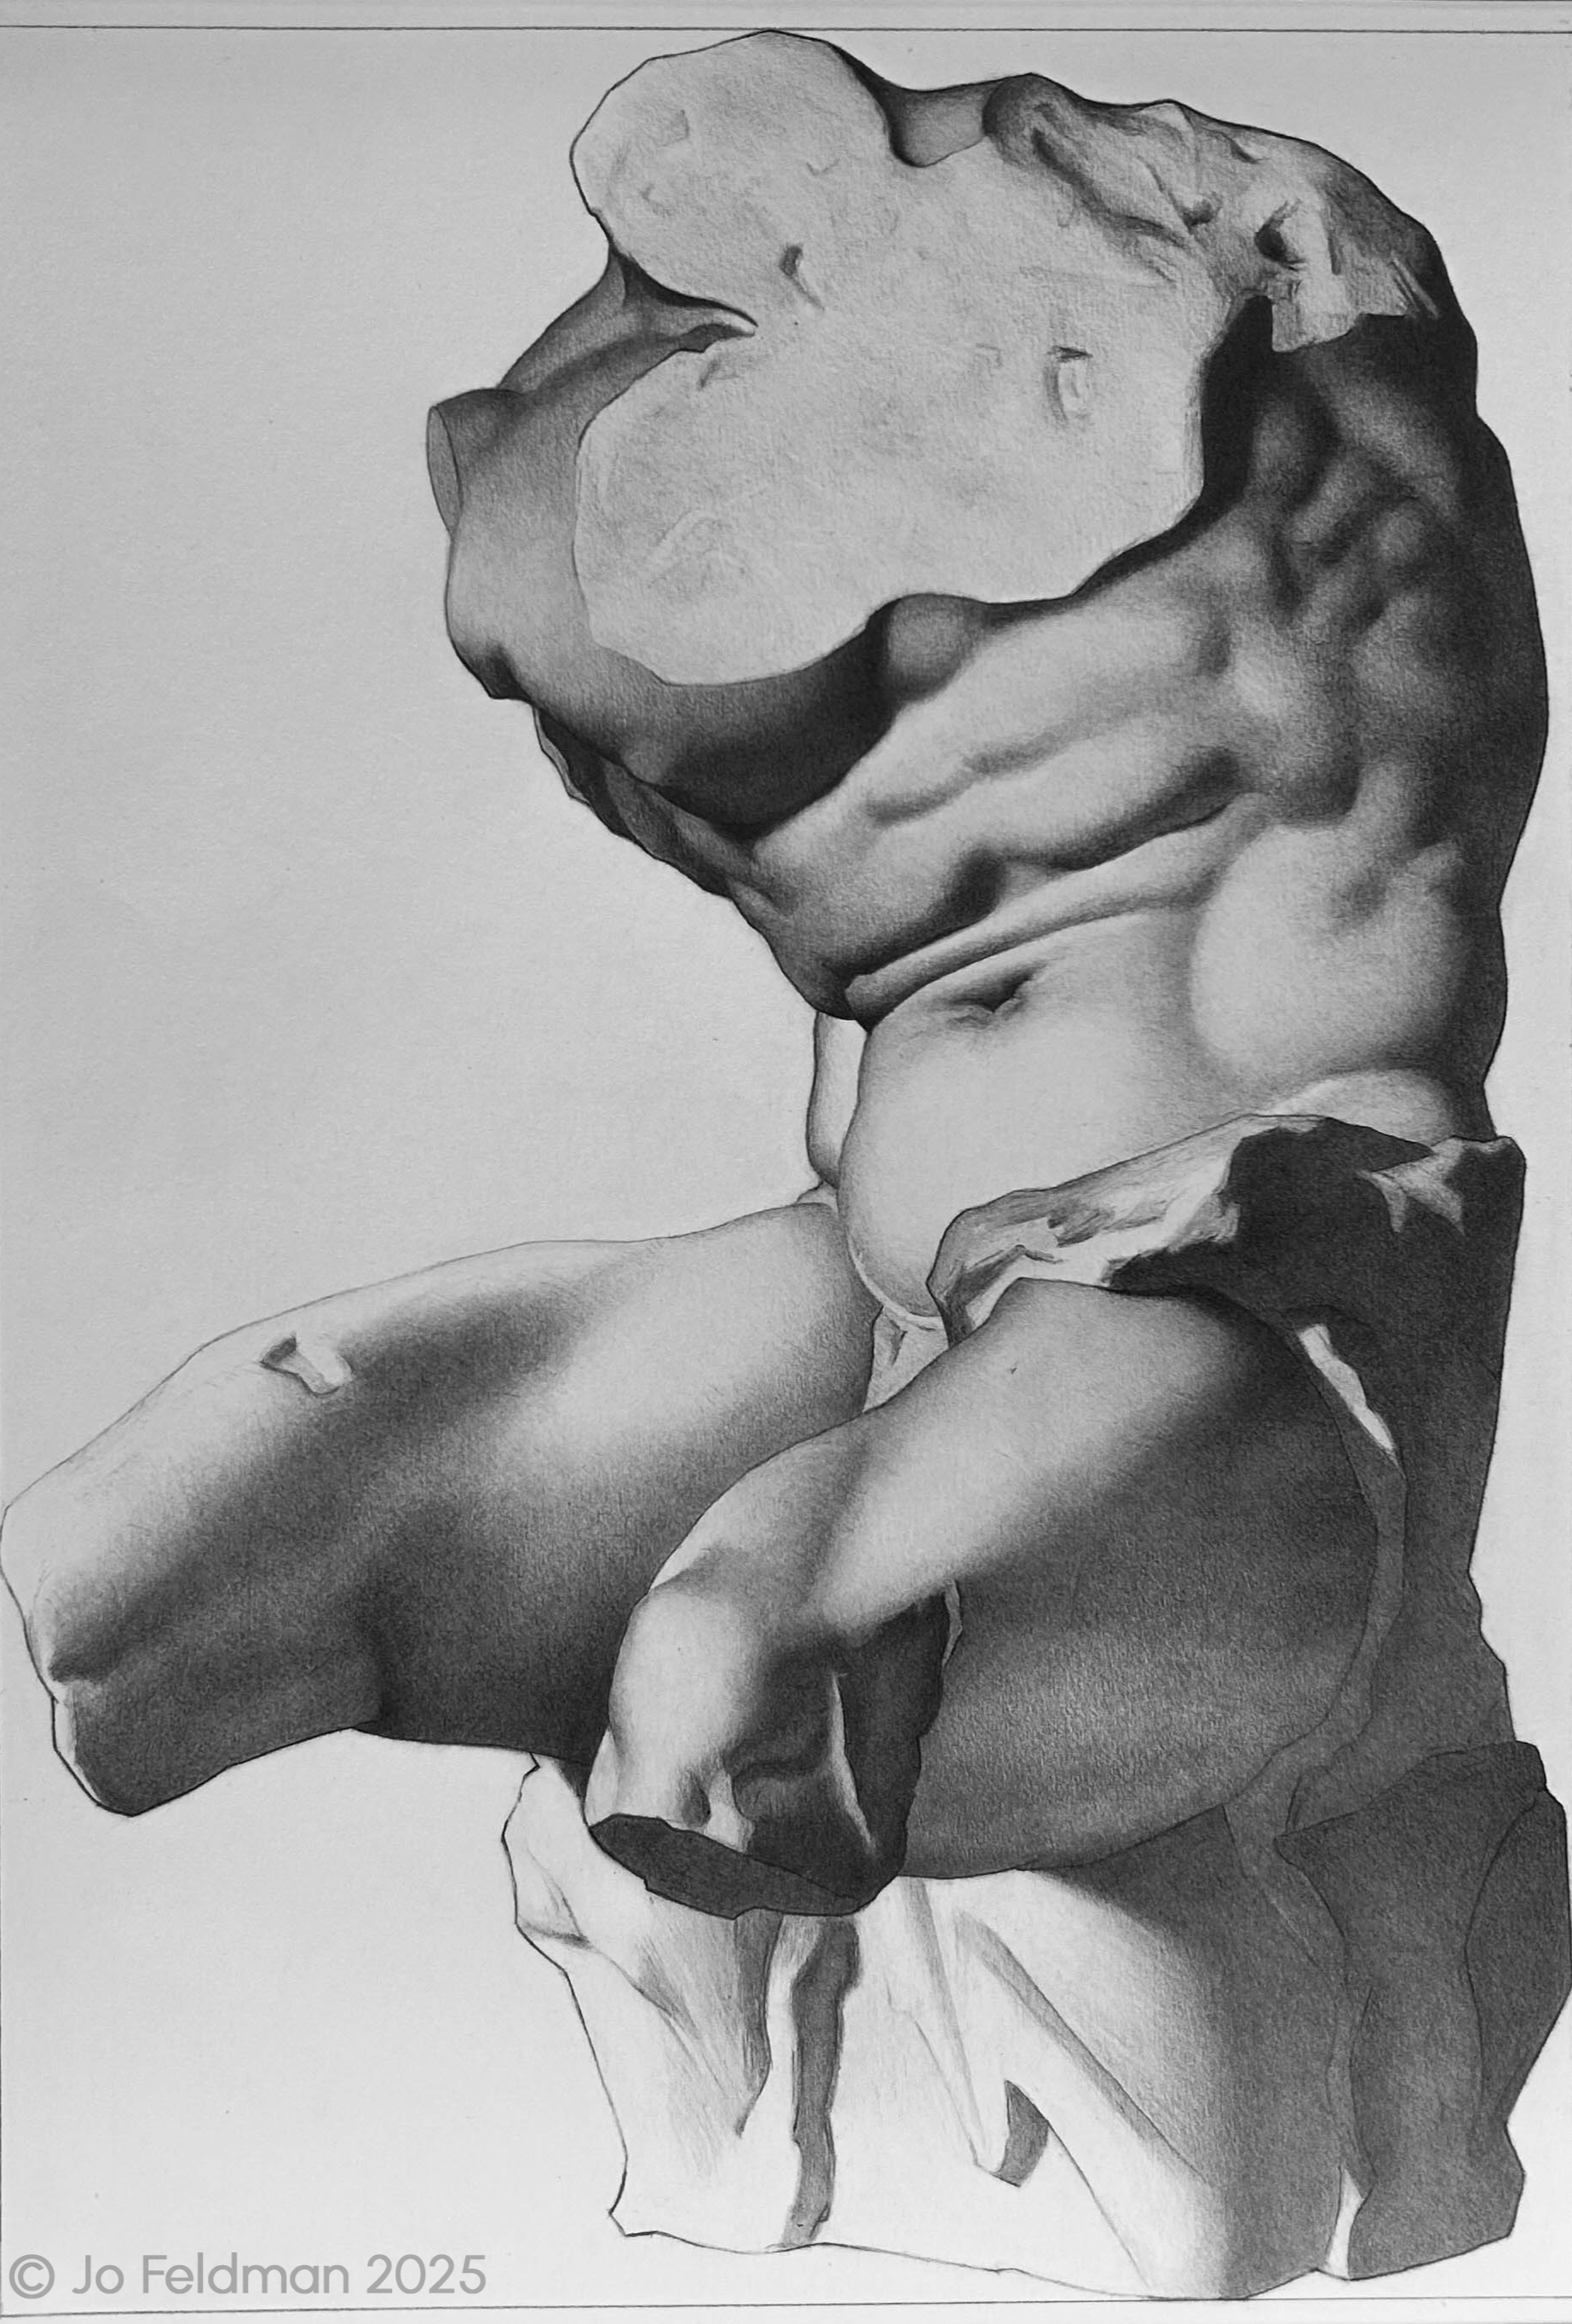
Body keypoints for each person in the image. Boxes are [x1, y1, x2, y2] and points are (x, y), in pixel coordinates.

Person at [4, 36, 1567, 2298]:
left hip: (1251, 1276)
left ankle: (802, 1724)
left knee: (753, 1649)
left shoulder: (1324, 442)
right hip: (876, 1272)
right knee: (203, 1512)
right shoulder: (806, 490)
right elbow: (592, 609)